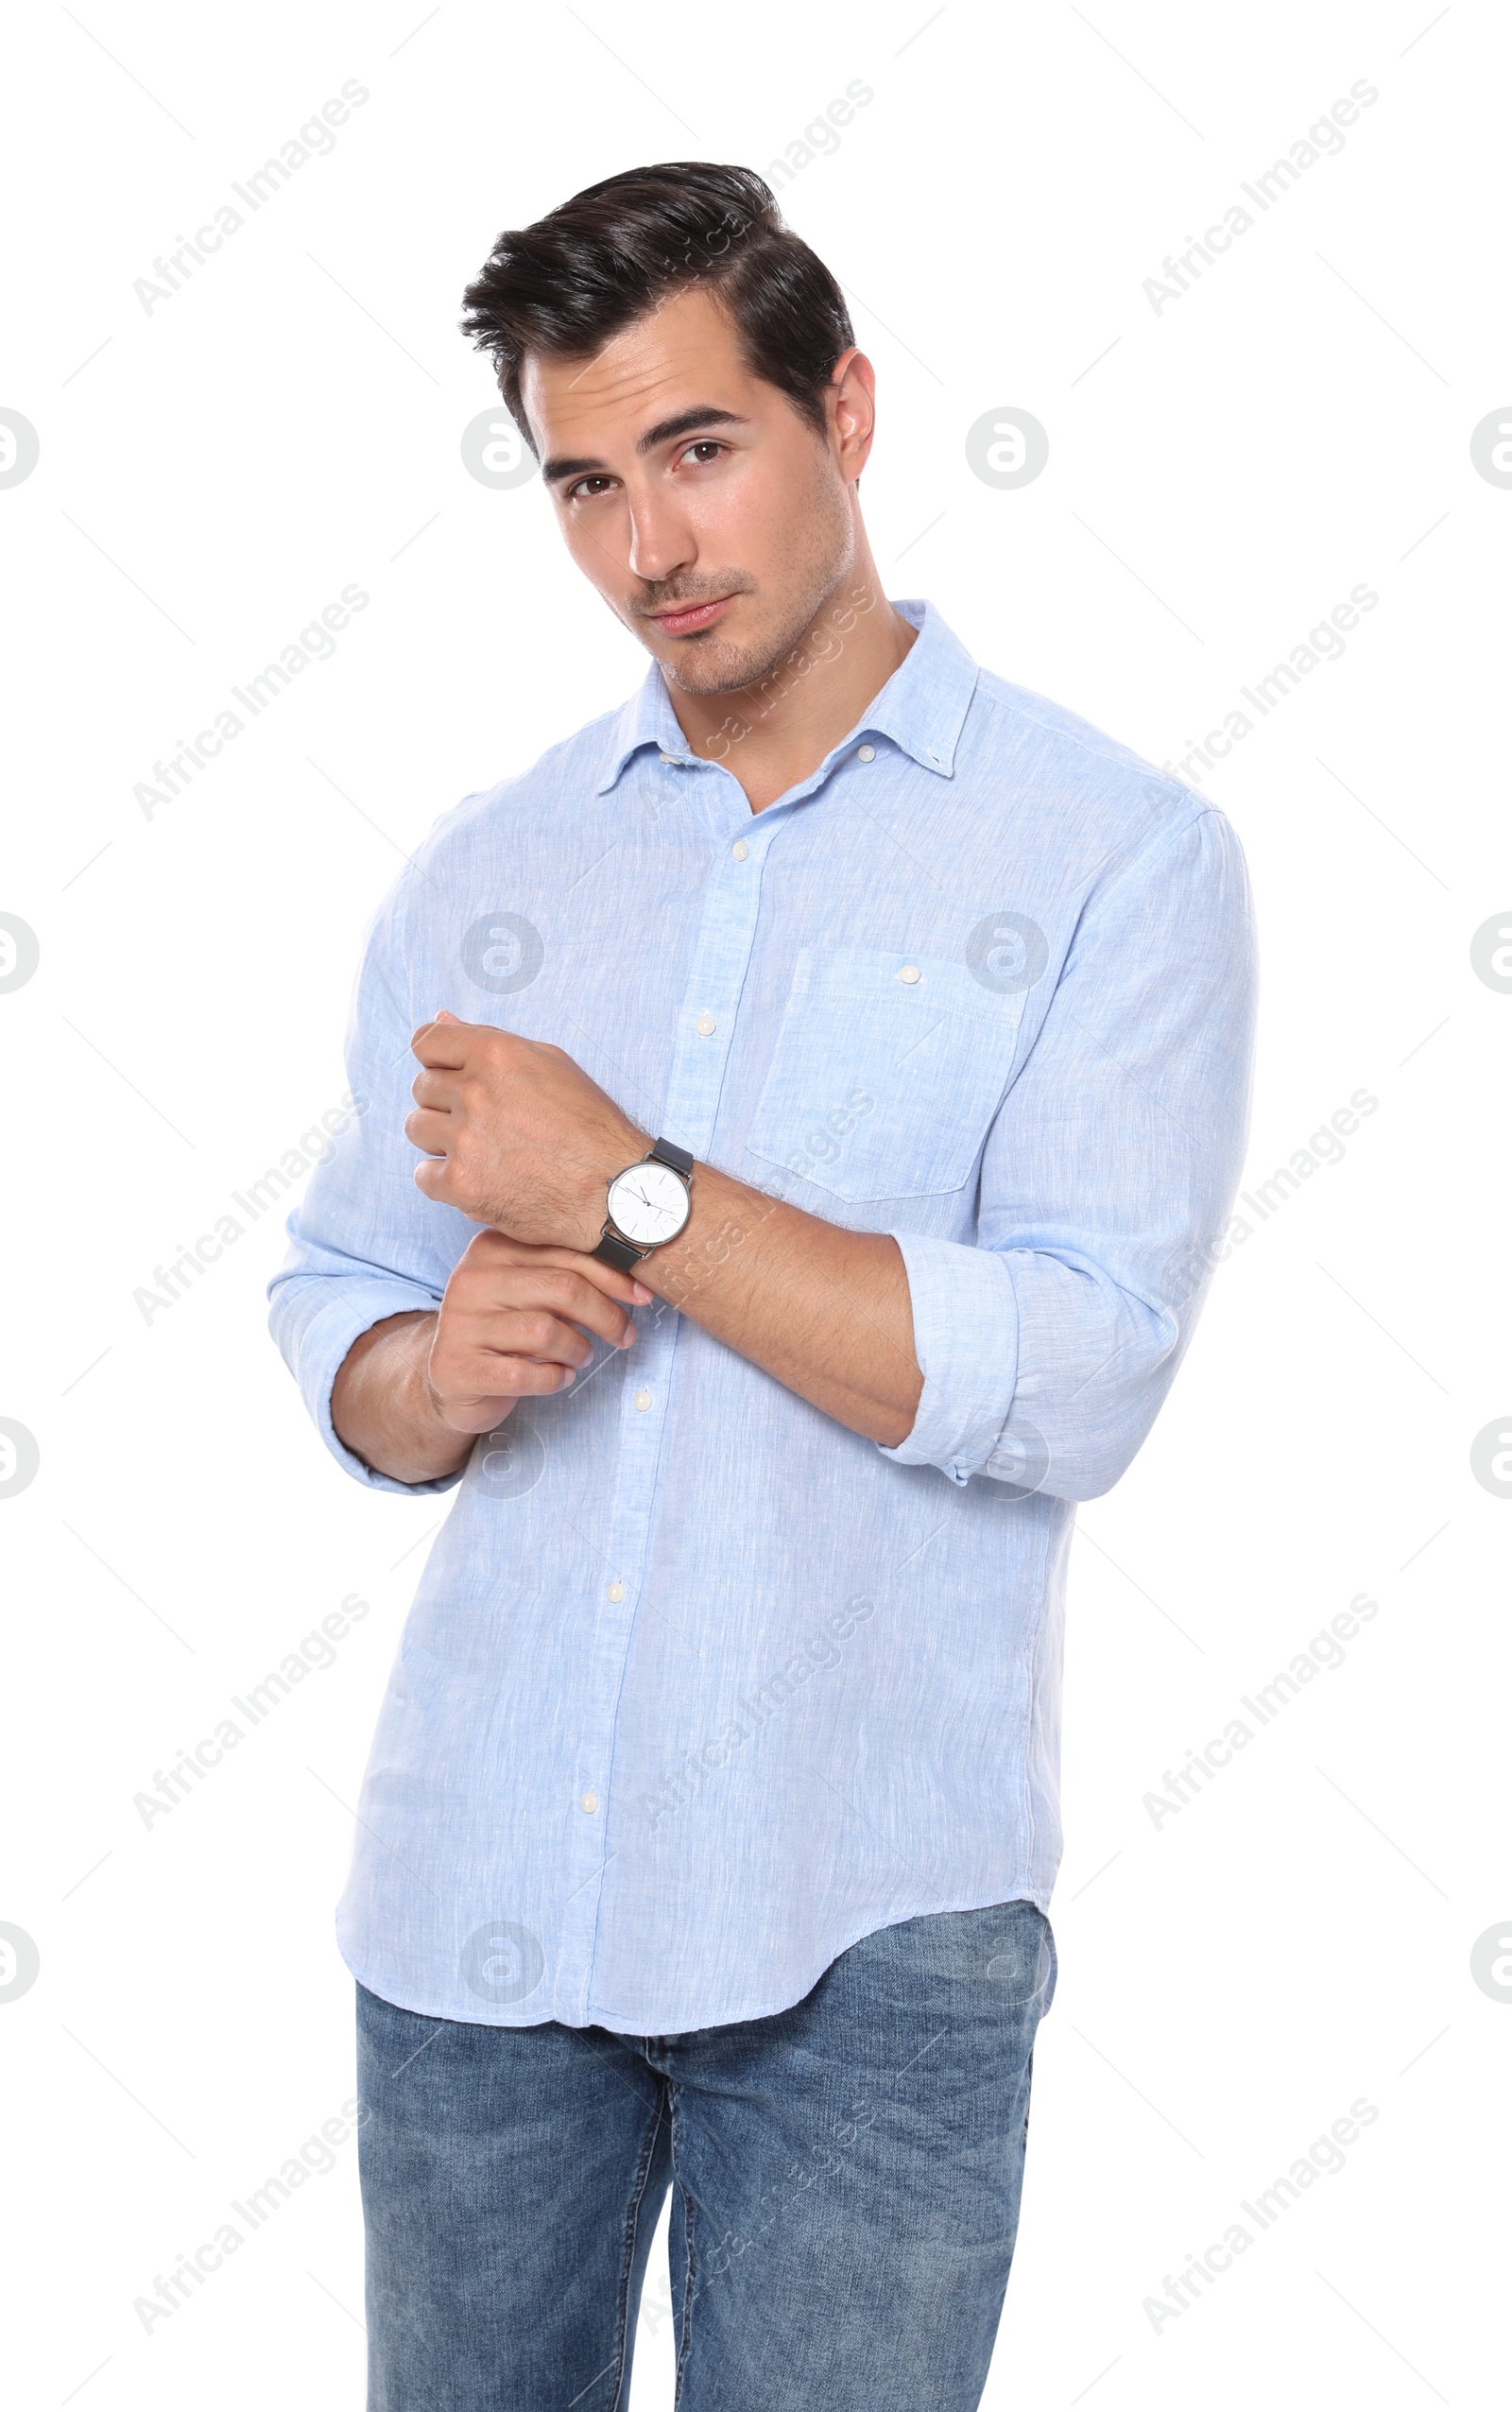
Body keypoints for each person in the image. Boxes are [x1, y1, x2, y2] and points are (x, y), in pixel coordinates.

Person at [269, 160, 1256, 2412]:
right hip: (475, 1914)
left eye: (700, 451)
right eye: (585, 483)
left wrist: (629, 1196)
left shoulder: (1109, 859)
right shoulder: (497, 862)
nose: (649, 550)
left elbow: (1079, 1372)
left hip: (867, 1935)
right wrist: (423, 1371)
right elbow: (337, 1295)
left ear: (850, 410)